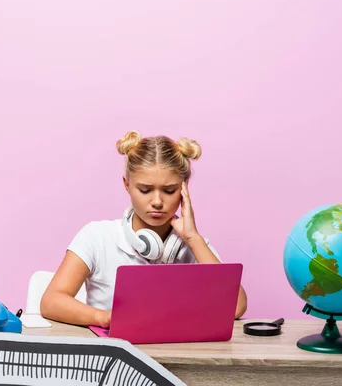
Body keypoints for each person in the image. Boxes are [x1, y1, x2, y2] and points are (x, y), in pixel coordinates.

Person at [40, 131, 247, 328]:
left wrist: (193, 238)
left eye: (169, 190)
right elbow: (51, 301)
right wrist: (105, 318)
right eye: (145, 190)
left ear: (184, 189)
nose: (157, 202)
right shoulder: (97, 237)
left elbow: (236, 306)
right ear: (127, 184)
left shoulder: (195, 247)